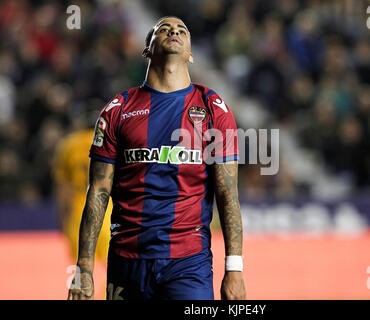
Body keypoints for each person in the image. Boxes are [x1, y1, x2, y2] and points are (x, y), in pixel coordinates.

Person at [68, 16, 246, 300]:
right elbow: (98, 191)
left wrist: (234, 269)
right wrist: (83, 269)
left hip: (189, 263)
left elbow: (227, 192)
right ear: (147, 49)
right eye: (163, 28)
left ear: (190, 54)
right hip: (127, 262)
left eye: (182, 30)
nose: (174, 30)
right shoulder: (118, 110)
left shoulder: (213, 109)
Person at [53, 111, 113, 299]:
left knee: (82, 269)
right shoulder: (111, 142)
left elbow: (63, 187)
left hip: (78, 216)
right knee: (115, 267)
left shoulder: (68, 145)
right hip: (106, 215)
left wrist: (62, 218)